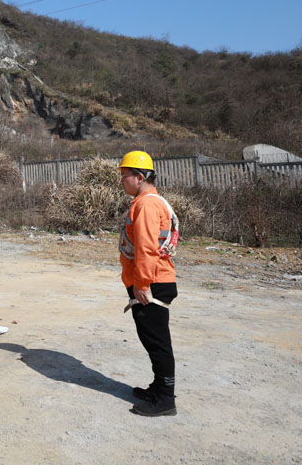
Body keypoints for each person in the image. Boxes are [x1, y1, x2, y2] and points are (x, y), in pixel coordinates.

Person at [118, 150, 179, 417]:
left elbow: (145, 248)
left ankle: (165, 399)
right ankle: (158, 387)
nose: (122, 180)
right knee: (152, 339)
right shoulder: (153, 201)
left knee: (157, 342)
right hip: (154, 279)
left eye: (125, 176)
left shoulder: (145, 205)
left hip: (151, 283)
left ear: (139, 177)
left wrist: (142, 285)